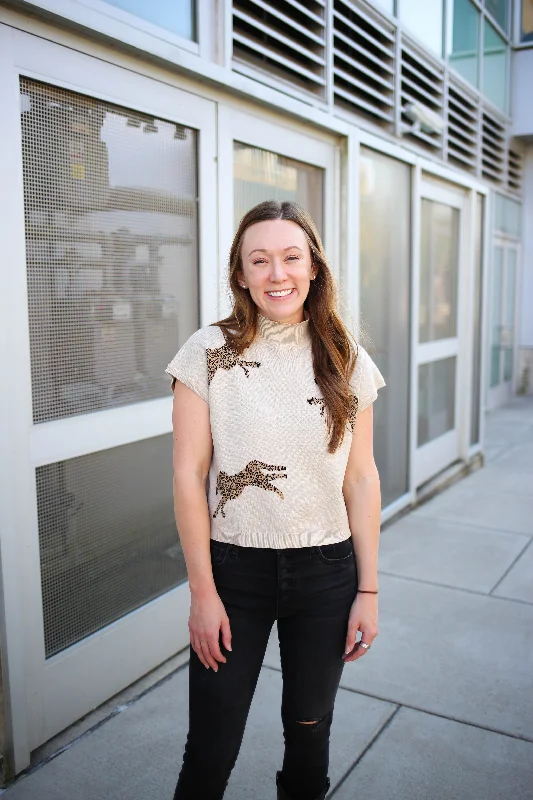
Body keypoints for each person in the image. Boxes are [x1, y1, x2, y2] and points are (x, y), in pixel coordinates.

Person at [166, 200, 385, 800]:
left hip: (327, 573)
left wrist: (368, 590)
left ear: (314, 267)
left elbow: (361, 478)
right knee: (211, 746)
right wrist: (202, 593)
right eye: (259, 260)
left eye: (291, 257)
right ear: (240, 273)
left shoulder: (345, 356)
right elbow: (189, 475)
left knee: (309, 736)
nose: (277, 274)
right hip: (234, 573)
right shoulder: (207, 353)